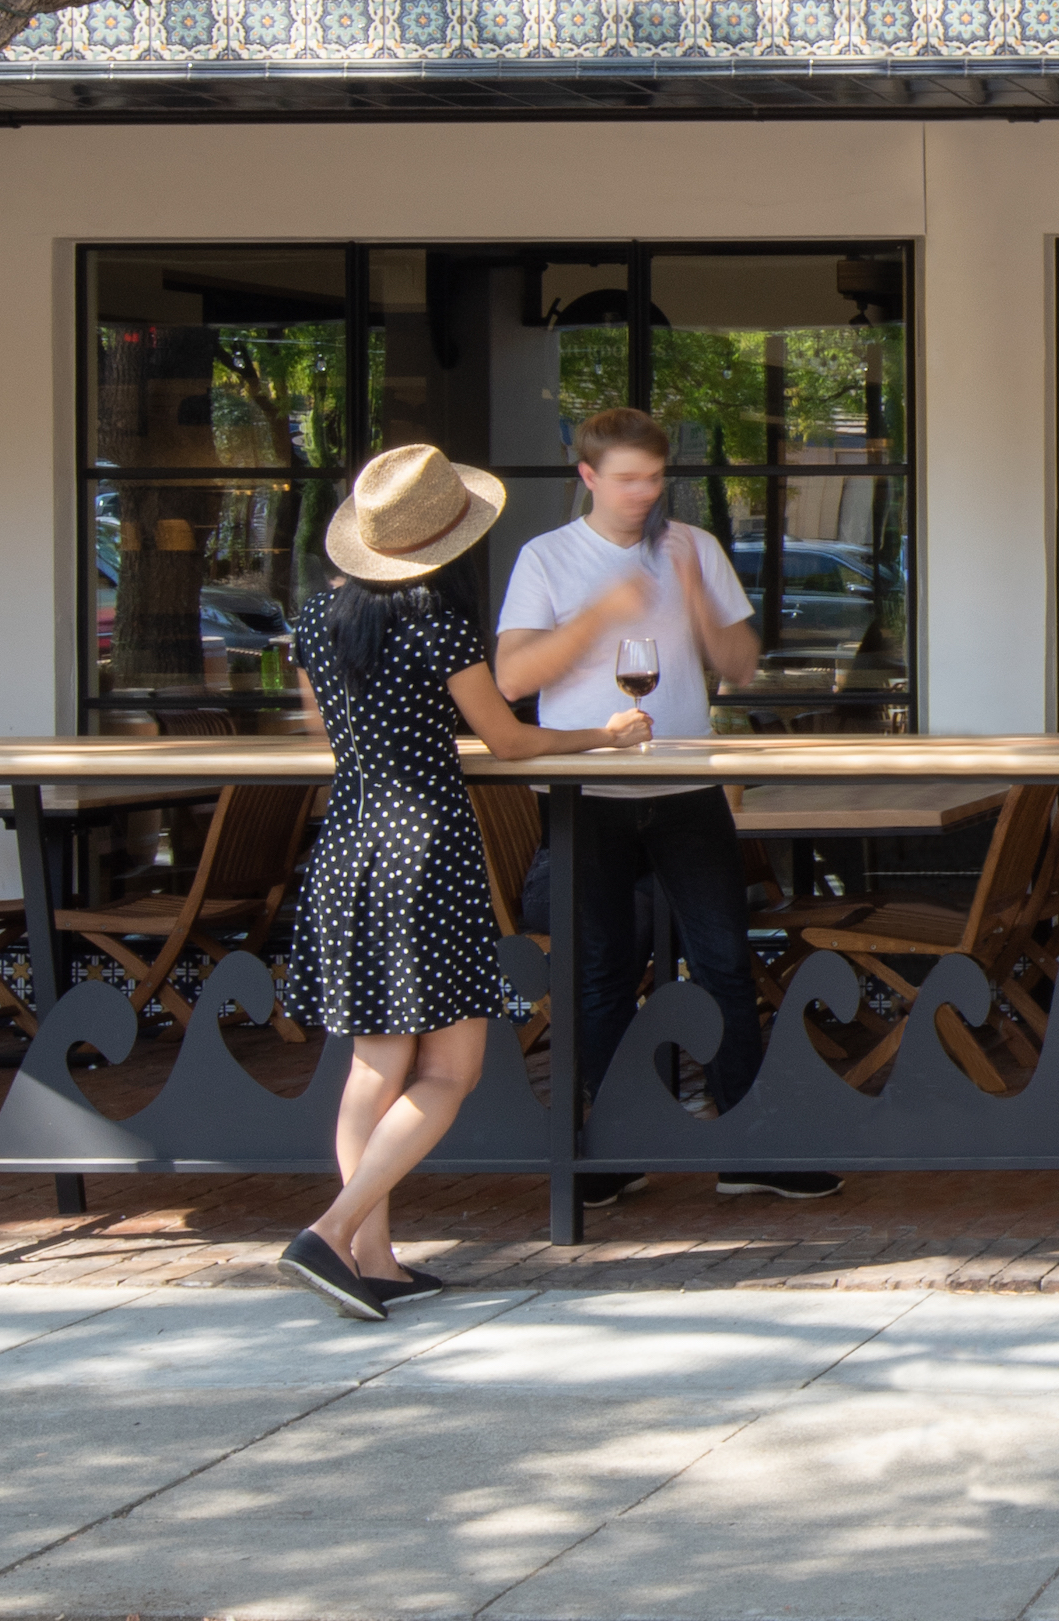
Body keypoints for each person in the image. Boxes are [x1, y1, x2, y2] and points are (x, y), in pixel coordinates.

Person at [273, 443, 624, 1317]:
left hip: (348, 844)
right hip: (425, 851)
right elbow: (506, 739)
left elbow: (325, 730)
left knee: (375, 1063)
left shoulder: (316, 618)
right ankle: (331, 1232)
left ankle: (373, 1260)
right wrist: (603, 735)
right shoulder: (435, 620)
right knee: (452, 1068)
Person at [490, 405, 782, 1186]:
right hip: (584, 789)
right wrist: (598, 615)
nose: (643, 493)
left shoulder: (695, 546)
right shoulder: (548, 557)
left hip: (686, 784)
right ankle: (621, 1149)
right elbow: (512, 679)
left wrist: (695, 596)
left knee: (724, 960)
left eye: (653, 478)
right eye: (626, 479)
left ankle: (746, 1149)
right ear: (587, 475)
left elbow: (740, 663)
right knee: (599, 970)